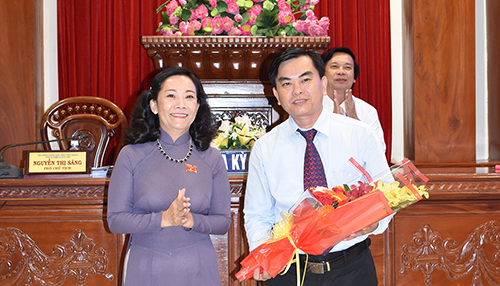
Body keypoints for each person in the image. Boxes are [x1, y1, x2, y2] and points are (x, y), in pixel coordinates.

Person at [244, 48, 392, 285]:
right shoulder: (265, 147)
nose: (297, 90)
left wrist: (375, 222)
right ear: (276, 94)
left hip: (352, 269)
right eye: (286, 84)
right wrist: (263, 255)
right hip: (289, 272)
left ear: (322, 83)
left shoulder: (359, 134)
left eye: (305, 79)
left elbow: (388, 193)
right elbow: (257, 213)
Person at [107, 67, 231, 286]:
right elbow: (116, 221)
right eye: (171, 95)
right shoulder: (131, 155)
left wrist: (192, 220)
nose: (181, 104)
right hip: (145, 269)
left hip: (200, 270)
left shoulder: (212, 158)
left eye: (189, 97)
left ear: (198, 106)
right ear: (154, 105)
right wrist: (163, 219)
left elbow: (223, 222)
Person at [322, 47, 386, 152]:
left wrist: (355, 121)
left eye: (347, 67)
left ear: (354, 78)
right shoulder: (312, 108)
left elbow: (379, 151)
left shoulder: (367, 111)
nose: (341, 72)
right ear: (322, 76)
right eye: (334, 66)